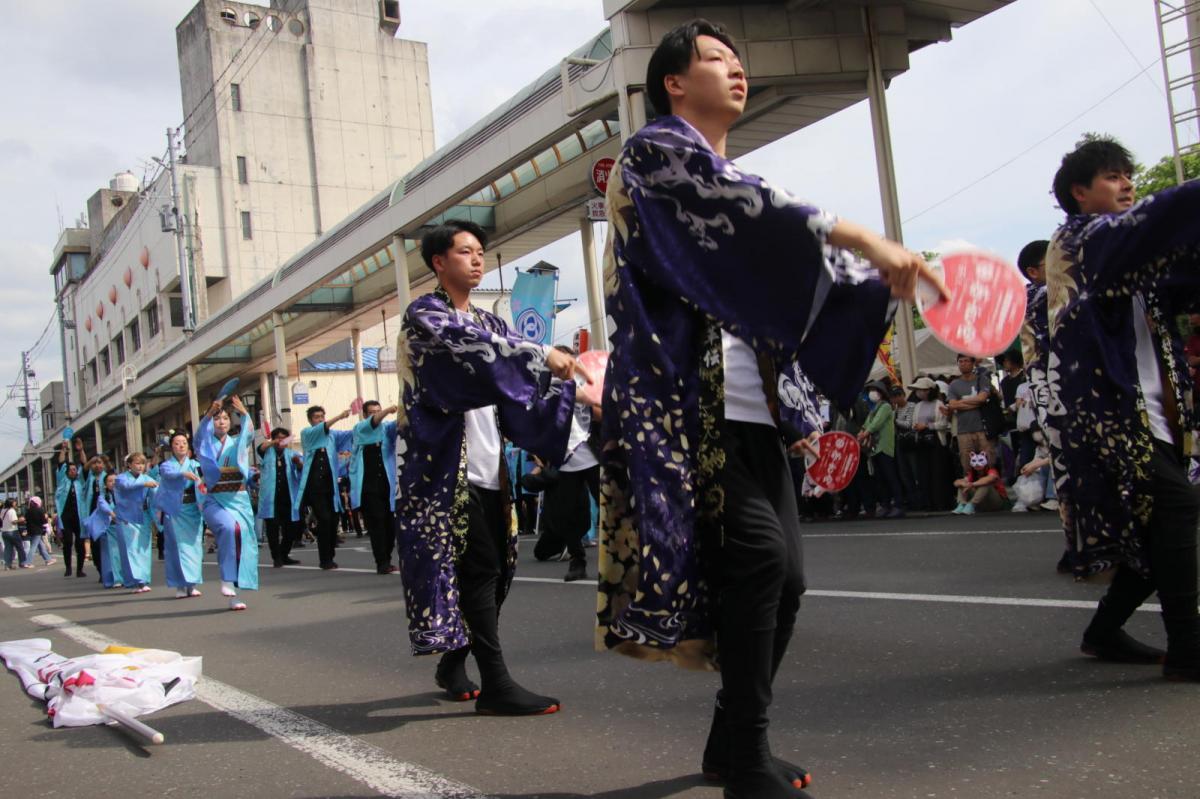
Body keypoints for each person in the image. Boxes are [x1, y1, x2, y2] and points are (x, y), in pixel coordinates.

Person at [596, 20, 942, 799]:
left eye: (739, 59)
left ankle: (729, 742)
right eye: (717, 59)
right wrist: (864, 238)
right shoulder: (655, 153)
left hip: (754, 408)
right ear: (674, 83)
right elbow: (755, 210)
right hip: (693, 404)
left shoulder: (729, 172)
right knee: (759, 562)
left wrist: (872, 278)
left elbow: (789, 248)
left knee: (786, 582)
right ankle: (746, 755)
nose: (737, 70)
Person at [396, 217, 587, 715]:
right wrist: (544, 353)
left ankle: (453, 662)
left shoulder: (493, 323)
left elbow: (521, 385)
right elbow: (483, 357)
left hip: (488, 466)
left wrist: (575, 390)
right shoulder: (426, 318)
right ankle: (497, 685)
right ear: (439, 262)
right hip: (441, 472)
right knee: (479, 570)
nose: (477, 258)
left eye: (480, 250)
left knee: (498, 570)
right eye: (465, 251)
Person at [1043, 136, 1200, 680]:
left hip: (1157, 414)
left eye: (1127, 174)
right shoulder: (1080, 243)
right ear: (1080, 193)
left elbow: (1182, 273)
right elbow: (1161, 222)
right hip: (1106, 418)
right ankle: (1188, 651)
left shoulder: (1133, 258)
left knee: (1158, 533)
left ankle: (1103, 632)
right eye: (1112, 176)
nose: (1128, 183)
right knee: (1178, 508)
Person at [196, 395, 260, 611]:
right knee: (229, 528)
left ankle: (236, 593)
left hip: (238, 498)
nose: (221, 422)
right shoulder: (204, 443)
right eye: (216, 418)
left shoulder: (238, 443)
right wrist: (207, 414)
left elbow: (249, 434)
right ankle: (226, 578)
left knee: (244, 541)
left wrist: (244, 413)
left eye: (225, 418)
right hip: (215, 498)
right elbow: (198, 437)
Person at [296, 405, 353, 570]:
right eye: (316, 417)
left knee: (333, 519)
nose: (320, 419)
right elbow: (323, 428)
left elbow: (352, 434)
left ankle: (329, 555)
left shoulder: (332, 435)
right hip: (315, 484)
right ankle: (325, 559)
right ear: (310, 420)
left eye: (322, 416)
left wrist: (367, 421)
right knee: (324, 519)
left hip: (330, 484)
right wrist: (339, 416)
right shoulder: (307, 433)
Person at [348, 401, 400, 574]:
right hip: (368, 487)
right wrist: (386, 410)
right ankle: (382, 562)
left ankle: (387, 558)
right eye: (371, 412)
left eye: (377, 411)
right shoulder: (360, 429)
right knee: (377, 525)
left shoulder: (386, 429)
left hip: (387, 484)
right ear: (364, 415)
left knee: (390, 526)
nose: (376, 414)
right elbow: (374, 422)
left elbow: (400, 423)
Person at [155, 431, 205, 599]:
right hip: (175, 510)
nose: (181, 445)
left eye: (184, 442)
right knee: (176, 548)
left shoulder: (195, 464)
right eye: (177, 443)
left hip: (192, 509)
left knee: (194, 547)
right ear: (172, 447)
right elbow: (167, 474)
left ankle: (192, 584)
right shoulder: (166, 465)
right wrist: (183, 473)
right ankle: (180, 585)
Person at [256, 427, 303, 568]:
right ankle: (276, 557)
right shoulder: (267, 452)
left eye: (284, 437)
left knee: (291, 528)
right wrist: (274, 442)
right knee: (273, 528)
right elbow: (262, 447)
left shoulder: (292, 453)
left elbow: (301, 470)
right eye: (278, 437)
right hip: (271, 498)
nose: (281, 440)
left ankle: (284, 554)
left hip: (288, 496)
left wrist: (298, 463)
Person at [112, 453, 159, 593]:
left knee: (143, 548)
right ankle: (135, 580)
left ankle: (143, 580)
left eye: (142, 463)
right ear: (129, 465)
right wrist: (144, 484)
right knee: (131, 548)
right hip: (127, 516)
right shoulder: (121, 478)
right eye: (137, 463)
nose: (140, 466)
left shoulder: (147, 478)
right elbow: (127, 486)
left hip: (143, 516)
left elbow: (157, 492)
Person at [943, 355, 995, 477]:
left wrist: (960, 403)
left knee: (988, 462)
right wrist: (975, 402)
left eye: (966, 361)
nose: (963, 364)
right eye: (960, 361)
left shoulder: (981, 379)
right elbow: (952, 404)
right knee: (967, 465)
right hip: (963, 431)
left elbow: (983, 398)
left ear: (972, 363)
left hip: (983, 429)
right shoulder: (954, 384)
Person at [859, 381, 904, 518]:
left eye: (875, 390)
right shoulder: (874, 408)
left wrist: (865, 433)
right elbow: (867, 423)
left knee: (890, 476)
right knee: (880, 478)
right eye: (870, 390)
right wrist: (862, 431)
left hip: (884, 446)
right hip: (875, 447)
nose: (872, 392)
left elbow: (876, 423)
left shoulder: (885, 406)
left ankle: (898, 505)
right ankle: (885, 505)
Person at [54, 440, 86, 576]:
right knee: (67, 542)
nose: (74, 471)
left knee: (80, 542)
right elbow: (61, 463)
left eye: (75, 469)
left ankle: (80, 569)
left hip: (79, 516)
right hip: (65, 516)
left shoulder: (81, 481)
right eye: (71, 470)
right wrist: (63, 449)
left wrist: (81, 450)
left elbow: (84, 464)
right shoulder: (63, 480)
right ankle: (68, 567)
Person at [22, 497, 54, 566]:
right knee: (33, 547)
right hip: (38, 530)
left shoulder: (28, 511)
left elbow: (26, 521)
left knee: (41, 546)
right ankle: (28, 562)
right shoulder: (40, 510)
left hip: (31, 530)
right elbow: (44, 521)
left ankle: (48, 559)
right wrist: (46, 520)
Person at [2, 498, 29, 569]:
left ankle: (7, 565)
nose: (16, 503)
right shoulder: (12, 511)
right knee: (20, 547)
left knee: (8, 549)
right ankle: (22, 563)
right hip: (13, 531)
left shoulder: (3, 510)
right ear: (11, 503)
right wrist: (21, 520)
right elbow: (13, 522)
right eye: (14, 502)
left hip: (4, 532)